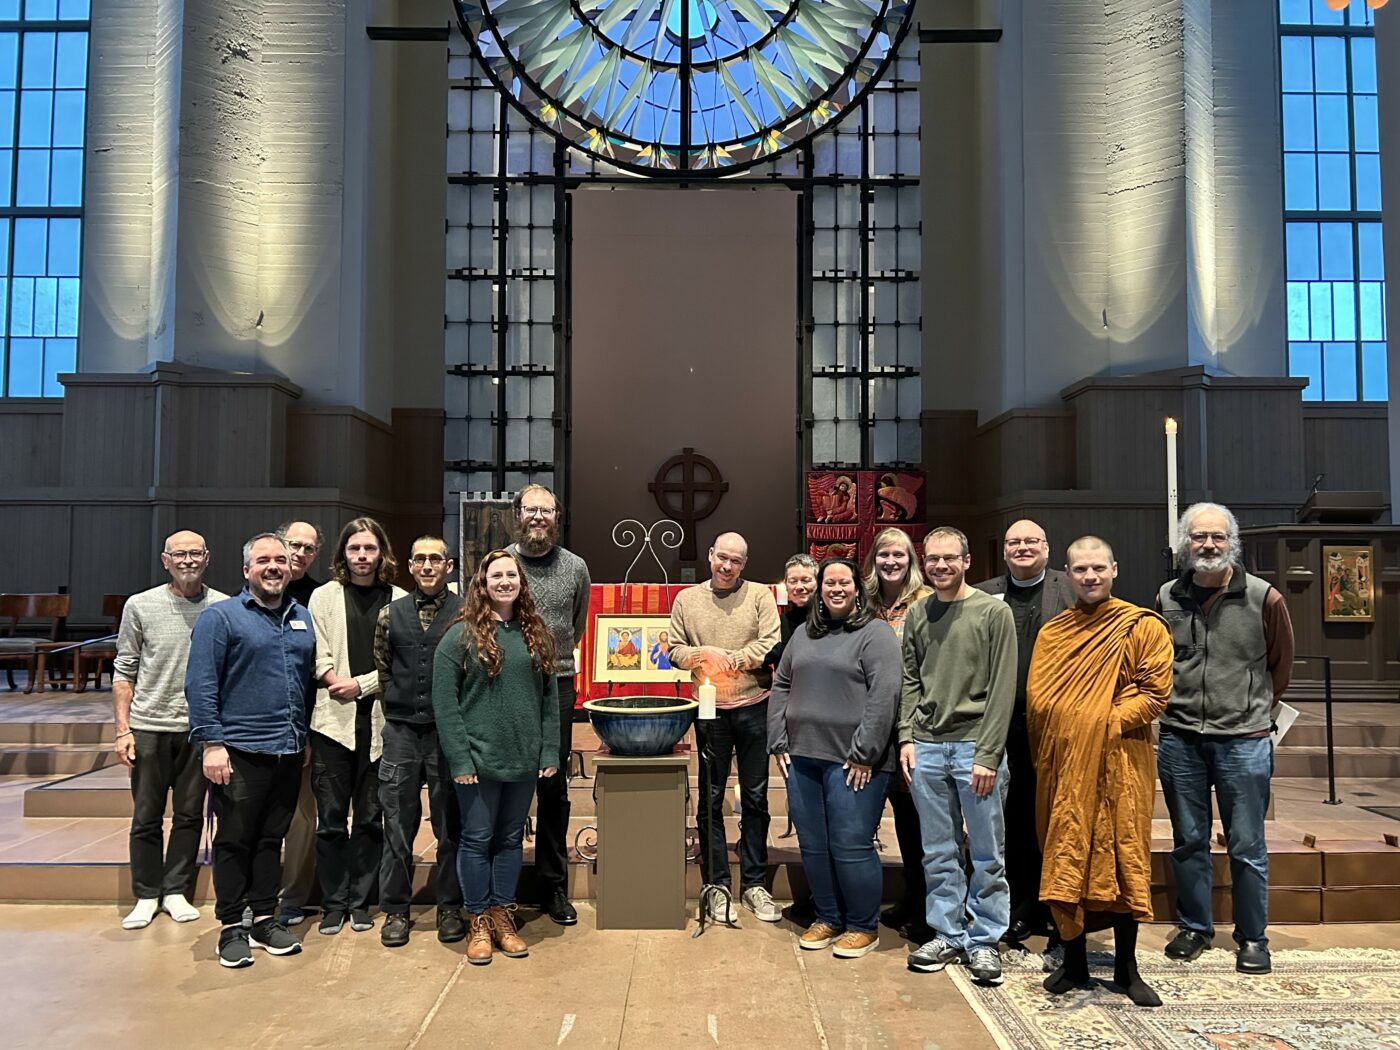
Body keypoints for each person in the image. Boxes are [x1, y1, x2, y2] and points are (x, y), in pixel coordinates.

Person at [1028, 536, 1172, 1008]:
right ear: (1066, 575)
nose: (1090, 577)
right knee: (1068, 849)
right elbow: (1039, 701)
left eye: (1098, 568)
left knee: (1122, 854)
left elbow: (1154, 694)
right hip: (1065, 765)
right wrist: (1081, 724)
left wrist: (1098, 719)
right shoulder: (1055, 634)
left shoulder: (1141, 626)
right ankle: (1073, 963)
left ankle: (1129, 968)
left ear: (1115, 569)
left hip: (1121, 761)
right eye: (1080, 570)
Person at [1156, 503, 1294, 975]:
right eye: (1199, 538)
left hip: (1243, 740)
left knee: (1247, 843)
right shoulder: (1167, 596)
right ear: (1185, 543)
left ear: (1231, 541)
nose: (1208, 545)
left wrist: (1251, 709)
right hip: (1180, 738)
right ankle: (1195, 927)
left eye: (1217, 537)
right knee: (1189, 839)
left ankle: (1253, 938)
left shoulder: (1264, 597)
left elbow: (1282, 666)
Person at [185, 533, 317, 969]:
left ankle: (264, 917)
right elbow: (201, 684)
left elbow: (304, 684)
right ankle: (230, 926)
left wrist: (304, 738)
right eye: (264, 560)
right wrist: (212, 743)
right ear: (247, 570)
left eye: (281, 559)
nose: (275, 567)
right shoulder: (220, 618)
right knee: (235, 840)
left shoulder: (301, 617)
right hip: (238, 749)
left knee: (270, 838)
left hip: (287, 747)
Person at [900, 527, 1016, 986]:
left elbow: (1004, 687)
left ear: (967, 561)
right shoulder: (917, 613)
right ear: (924, 564)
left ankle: (985, 939)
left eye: (950, 558)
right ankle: (947, 931)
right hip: (927, 745)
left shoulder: (993, 612)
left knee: (987, 851)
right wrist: (906, 736)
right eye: (933, 559)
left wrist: (988, 754)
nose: (941, 566)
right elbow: (910, 678)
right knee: (938, 851)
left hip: (975, 747)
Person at [769, 558, 901, 958]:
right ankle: (827, 917)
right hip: (802, 756)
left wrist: (866, 752)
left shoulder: (875, 634)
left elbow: (885, 695)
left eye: (844, 583)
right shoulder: (806, 633)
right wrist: (779, 739)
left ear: (857, 590)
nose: (836, 589)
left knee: (850, 843)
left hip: (853, 761)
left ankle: (863, 925)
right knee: (813, 843)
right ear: (820, 589)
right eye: (830, 583)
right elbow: (781, 683)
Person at [433, 549, 559, 965]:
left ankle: (503, 915)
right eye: (495, 576)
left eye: (511, 575)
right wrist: (461, 760)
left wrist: (549, 749)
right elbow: (445, 704)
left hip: (523, 758)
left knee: (509, 840)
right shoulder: (460, 636)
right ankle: (478, 921)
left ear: (521, 582)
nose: (504, 582)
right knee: (477, 838)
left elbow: (549, 700)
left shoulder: (536, 633)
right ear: (481, 584)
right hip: (478, 760)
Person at [113, 530, 228, 930]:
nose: (188, 560)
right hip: (148, 725)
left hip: (197, 729)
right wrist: (122, 730)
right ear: (165, 560)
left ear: (207, 557)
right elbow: (124, 669)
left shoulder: (223, 607)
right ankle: (146, 894)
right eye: (180, 554)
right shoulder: (141, 605)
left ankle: (176, 889)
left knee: (188, 814)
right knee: (145, 816)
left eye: (196, 553)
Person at [668, 532, 782, 923]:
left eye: (736, 560)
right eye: (722, 558)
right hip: (710, 709)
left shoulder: (760, 596)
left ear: (744, 564)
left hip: (754, 707)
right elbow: (674, 650)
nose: (727, 566)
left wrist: (730, 659)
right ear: (710, 555)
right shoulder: (687, 600)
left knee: (755, 798)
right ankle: (715, 885)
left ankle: (753, 885)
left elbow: (770, 643)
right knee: (710, 800)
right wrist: (703, 654)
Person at [974, 519, 1075, 946]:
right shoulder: (983, 593)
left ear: (1047, 549)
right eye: (1014, 542)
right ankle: (1020, 907)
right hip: (1001, 722)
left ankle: (1057, 907)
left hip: (1055, 723)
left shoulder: (1071, 589)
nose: (1022, 548)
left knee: (1053, 815)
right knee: (1010, 818)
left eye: (1031, 541)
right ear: (1004, 551)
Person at [307, 517, 406, 935]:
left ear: (382, 552)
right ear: (343, 554)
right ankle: (333, 903)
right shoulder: (323, 597)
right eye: (354, 549)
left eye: (370, 549)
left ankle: (361, 900)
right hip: (332, 721)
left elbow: (402, 661)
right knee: (331, 819)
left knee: (369, 819)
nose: (362, 557)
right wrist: (333, 680)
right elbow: (317, 650)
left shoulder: (399, 598)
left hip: (380, 721)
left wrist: (362, 684)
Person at [374, 536, 466, 948]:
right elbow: (384, 671)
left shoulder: (466, 612)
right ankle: (395, 909)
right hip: (401, 732)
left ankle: (450, 906)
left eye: (436, 559)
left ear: (449, 565)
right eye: (420, 560)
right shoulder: (388, 615)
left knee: (451, 825)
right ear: (409, 566)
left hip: (448, 733)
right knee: (397, 823)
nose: (428, 566)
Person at [506, 483, 591, 926]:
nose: (538, 517)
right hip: (506, 686)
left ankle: (553, 885)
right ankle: (503, 888)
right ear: (517, 514)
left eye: (547, 509)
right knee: (508, 780)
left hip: (556, 685)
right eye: (530, 509)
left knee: (553, 787)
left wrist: (552, 660)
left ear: (557, 516)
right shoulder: (501, 564)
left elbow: (574, 626)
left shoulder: (575, 567)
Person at [862, 528, 933, 943]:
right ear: (874, 559)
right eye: (884, 554)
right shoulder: (864, 602)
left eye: (900, 555)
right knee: (873, 815)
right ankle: (906, 897)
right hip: (872, 723)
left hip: (913, 723)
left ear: (911, 561)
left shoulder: (924, 601)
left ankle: (924, 904)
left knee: (915, 821)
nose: (892, 561)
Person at [277, 518, 325, 926]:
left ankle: (292, 896)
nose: (300, 553)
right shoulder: (245, 596)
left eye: (309, 548)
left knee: (301, 816)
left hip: (303, 723)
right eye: (294, 544)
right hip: (252, 725)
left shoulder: (318, 598)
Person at [763, 554, 818, 672]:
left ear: (818, 583)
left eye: (805, 580)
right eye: (793, 581)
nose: (799, 587)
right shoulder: (778, 623)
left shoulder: (831, 621)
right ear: (786, 585)